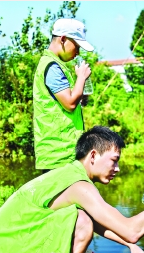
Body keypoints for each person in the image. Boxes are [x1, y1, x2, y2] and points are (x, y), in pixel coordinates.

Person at [0, 126, 144, 253]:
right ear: (93, 155)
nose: (117, 168)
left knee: (84, 218)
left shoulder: (68, 173)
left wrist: (129, 245)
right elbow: (131, 231)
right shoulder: (80, 186)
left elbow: (103, 223)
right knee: (82, 221)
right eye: (114, 160)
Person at [33, 18, 94, 173]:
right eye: (77, 46)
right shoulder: (52, 67)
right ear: (63, 39)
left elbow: (71, 103)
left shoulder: (56, 65)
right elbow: (70, 103)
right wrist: (81, 77)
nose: (78, 52)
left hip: (62, 152)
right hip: (58, 153)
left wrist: (81, 90)